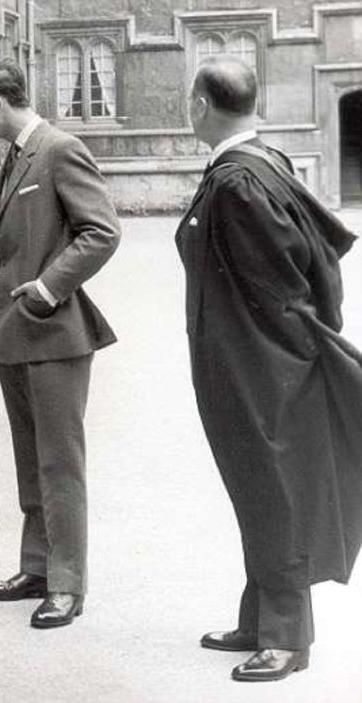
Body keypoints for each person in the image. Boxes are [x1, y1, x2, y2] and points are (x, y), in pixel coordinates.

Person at [178, 55, 362, 682]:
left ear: (201, 105)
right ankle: (259, 617)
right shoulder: (261, 164)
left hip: (261, 373)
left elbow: (282, 289)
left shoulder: (238, 183)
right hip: (256, 367)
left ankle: (287, 638)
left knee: (277, 495)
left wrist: (284, 364)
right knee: (259, 493)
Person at [0, 58, 121, 629]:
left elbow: (101, 231)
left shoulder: (58, 148)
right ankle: (39, 567)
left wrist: (48, 286)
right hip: (18, 334)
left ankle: (68, 584)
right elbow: (30, 234)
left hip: (55, 334)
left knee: (59, 465)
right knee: (31, 462)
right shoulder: (18, 154)